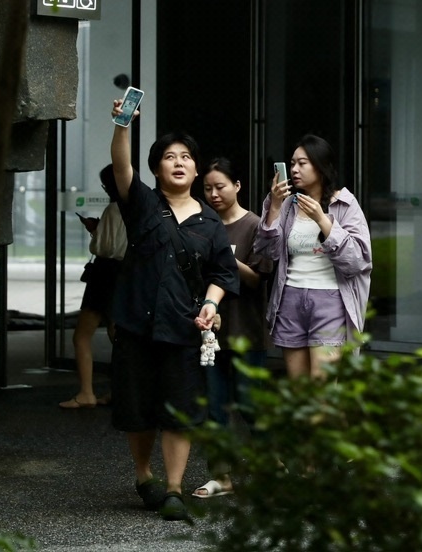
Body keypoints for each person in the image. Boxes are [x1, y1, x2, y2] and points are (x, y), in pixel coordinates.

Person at [108, 97, 240, 521]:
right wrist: (123, 124)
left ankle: (173, 488)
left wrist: (209, 304)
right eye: (169, 157)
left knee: (179, 413)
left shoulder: (210, 223)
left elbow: (222, 274)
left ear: (197, 169)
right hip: (136, 324)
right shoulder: (143, 204)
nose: (179, 162)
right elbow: (120, 167)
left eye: (186, 157)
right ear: (156, 168)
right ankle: (144, 476)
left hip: (183, 328)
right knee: (139, 409)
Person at [254, 134, 372, 379]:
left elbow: (357, 261)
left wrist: (322, 219)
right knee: (299, 391)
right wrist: (274, 206)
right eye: (292, 163)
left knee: (322, 387)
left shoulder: (345, 204)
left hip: (330, 300)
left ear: (320, 166)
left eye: (302, 163)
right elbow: (267, 252)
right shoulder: (286, 205)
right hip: (290, 297)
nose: (294, 170)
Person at [192, 156, 272, 499]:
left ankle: (272, 467)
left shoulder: (254, 225)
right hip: (208, 333)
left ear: (237, 186)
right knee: (214, 406)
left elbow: (258, 279)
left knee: (250, 404)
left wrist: (226, 255)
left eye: (220, 187)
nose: (213, 194)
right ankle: (221, 476)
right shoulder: (201, 223)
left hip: (246, 329)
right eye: (207, 188)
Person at [59, 164, 126, 409]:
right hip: (126, 276)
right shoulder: (140, 208)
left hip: (105, 276)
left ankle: (86, 393)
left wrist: (96, 231)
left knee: (82, 336)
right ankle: (121, 392)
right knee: (118, 336)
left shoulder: (114, 209)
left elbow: (103, 248)